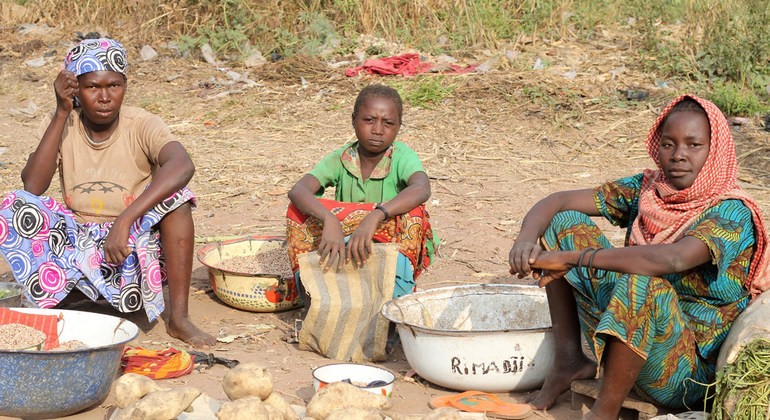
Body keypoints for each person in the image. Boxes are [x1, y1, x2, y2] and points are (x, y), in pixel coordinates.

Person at [508, 94, 770, 419]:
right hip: (632, 332)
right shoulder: (649, 190)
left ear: (715, 151)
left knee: (644, 282)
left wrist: (573, 258)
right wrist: (524, 241)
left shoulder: (731, 212)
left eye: (694, 145)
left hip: (685, 376)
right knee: (563, 224)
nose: (678, 156)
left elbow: (672, 259)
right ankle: (569, 361)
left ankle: (604, 411)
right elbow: (558, 201)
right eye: (669, 144)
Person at [0, 37, 215, 347]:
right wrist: (61, 112)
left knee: (178, 202)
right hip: (78, 236)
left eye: (114, 86)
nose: (104, 97)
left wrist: (125, 219)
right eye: (92, 87)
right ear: (76, 90)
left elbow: (182, 165)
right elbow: (33, 186)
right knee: (14, 205)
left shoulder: (141, 123)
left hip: (131, 239)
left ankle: (179, 318)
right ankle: (71, 297)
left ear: (125, 86)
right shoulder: (63, 121)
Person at [286, 84, 437, 298]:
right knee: (297, 210)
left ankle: (394, 297)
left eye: (388, 123)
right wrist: (329, 219)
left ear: (398, 126)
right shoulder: (341, 158)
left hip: (388, 245)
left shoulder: (402, 156)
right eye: (369, 120)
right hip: (346, 241)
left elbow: (422, 188)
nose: (377, 130)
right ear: (353, 120)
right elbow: (299, 190)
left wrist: (376, 215)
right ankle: (315, 294)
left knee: (414, 213)